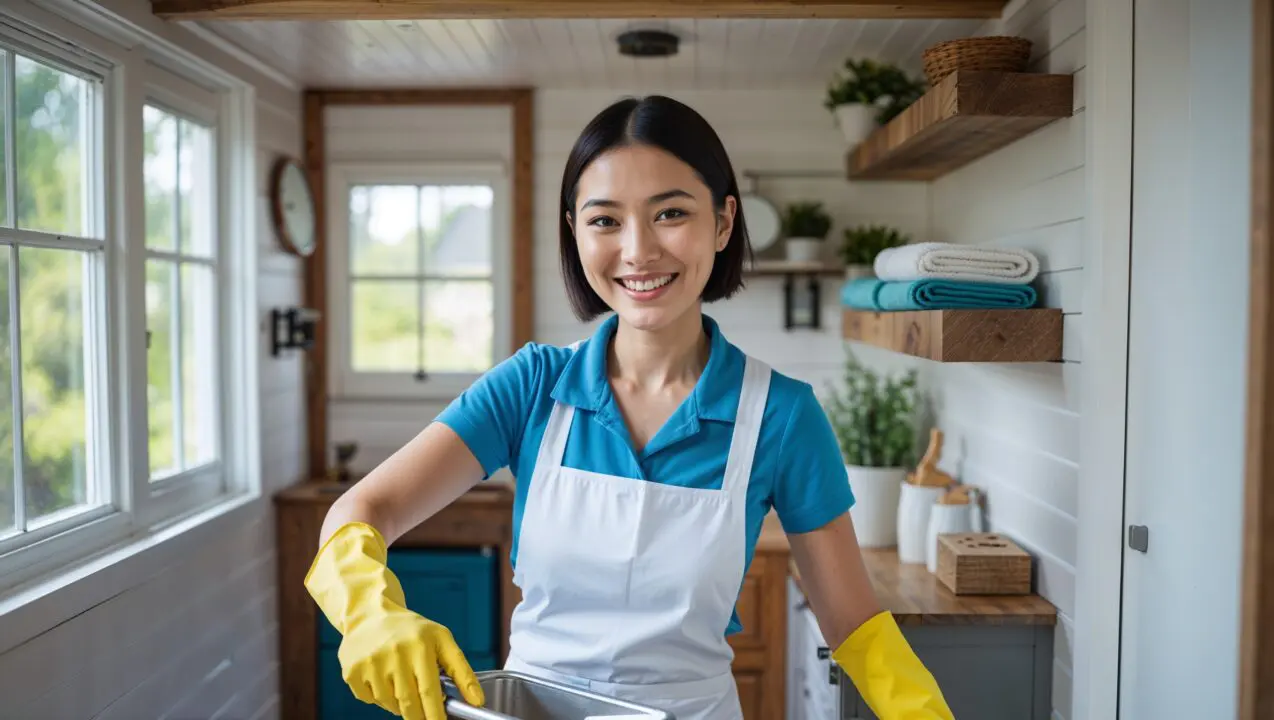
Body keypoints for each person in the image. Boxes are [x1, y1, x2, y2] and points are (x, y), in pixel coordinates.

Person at [303, 94, 954, 720]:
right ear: (574, 231)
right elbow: (362, 510)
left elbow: (855, 625)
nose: (638, 250)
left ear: (724, 220)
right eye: (605, 219)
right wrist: (370, 612)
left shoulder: (780, 416)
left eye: (670, 213)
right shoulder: (532, 388)